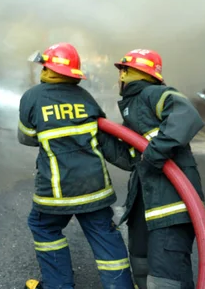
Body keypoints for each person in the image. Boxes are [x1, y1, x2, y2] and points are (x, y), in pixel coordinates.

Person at [18, 42, 134, 289]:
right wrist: (139, 160)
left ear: (48, 69)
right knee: (105, 236)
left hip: (56, 192)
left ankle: (58, 285)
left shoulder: (32, 97)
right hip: (96, 188)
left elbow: (27, 137)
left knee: (43, 226)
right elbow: (106, 140)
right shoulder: (86, 98)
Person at [112, 49, 205, 289]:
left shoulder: (155, 93)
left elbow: (187, 115)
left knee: (167, 278)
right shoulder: (133, 106)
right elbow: (131, 159)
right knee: (141, 265)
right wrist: (98, 135)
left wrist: (153, 154)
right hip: (146, 204)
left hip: (170, 205)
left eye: (122, 71)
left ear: (125, 74)